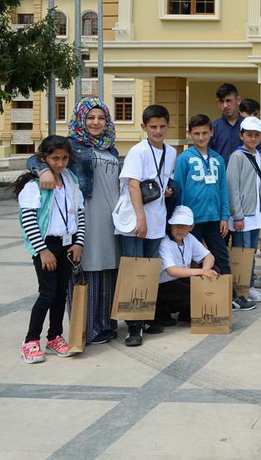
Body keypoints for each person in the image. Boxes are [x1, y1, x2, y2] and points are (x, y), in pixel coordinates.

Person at [27, 98, 120, 345]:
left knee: (107, 268)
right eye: (90, 117)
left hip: (110, 217)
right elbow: (36, 159)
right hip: (85, 213)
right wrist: (43, 171)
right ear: (80, 119)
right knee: (85, 269)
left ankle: (105, 324)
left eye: (101, 117)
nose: (96, 122)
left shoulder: (110, 147)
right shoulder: (72, 145)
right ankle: (85, 328)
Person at [17, 136, 85, 363]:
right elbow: (28, 221)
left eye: (64, 158)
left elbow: (80, 213)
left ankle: (55, 336)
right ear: (43, 158)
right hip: (46, 245)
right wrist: (42, 250)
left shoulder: (71, 180)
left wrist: (78, 242)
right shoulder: (34, 185)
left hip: (67, 244)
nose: (60, 163)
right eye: (55, 158)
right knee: (47, 294)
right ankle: (30, 341)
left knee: (61, 294)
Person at [116, 104, 176, 347]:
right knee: (134, 272)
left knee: (150, 272)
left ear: (168, 126)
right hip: (135, 220)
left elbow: (160, 180)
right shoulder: (138, 152)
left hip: (157, 219)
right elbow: (132, 184)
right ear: (144, 127)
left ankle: (146, 318)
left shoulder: (171, 152)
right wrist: (141, 218)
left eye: (162, 126)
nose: (158, 131)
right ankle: (133, 327)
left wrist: (166, 191)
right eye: (153, 127)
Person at [173, 115, 241, 306]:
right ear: (189, 134)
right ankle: (198, 300)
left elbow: (222, 189)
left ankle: (230, 296)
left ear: (212, 133)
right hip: (192, 220)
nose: (201, 137)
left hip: (214, 219)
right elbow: (180, 189)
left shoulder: (218, 159)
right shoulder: (184, 159)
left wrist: (224, 216)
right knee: (192, 259)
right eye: (196, 133)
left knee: (221, 256)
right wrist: (182, 219)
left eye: (204, 133)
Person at [226, 116, 261, 305]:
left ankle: (249, 285)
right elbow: (233, 187)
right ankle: (241, 288)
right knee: (242, 252)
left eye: (256, 135)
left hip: (257, 213)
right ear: (241, 136)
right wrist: (237, 214)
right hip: (242, 215)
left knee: (251, 250)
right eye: (249, 135)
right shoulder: (237, 156)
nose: (253, 139)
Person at [155, 205, 219, 330]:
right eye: (176, 225)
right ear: (170, 225)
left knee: (215, 271)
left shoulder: (189, 238)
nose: (180, 229)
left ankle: (187, 313)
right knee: (194, 291)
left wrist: (205, 271)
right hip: (164, 285)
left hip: (181, 280)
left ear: (191, 227)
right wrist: (202, 271)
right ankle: (163, 310)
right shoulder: (165, 242)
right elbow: (171, 271)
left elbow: (209, 257)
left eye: (184, 226)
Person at [208, 83, 242, 162]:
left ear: (238, 100)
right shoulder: (213, 128)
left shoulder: (248, 127)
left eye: (228, 101)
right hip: (221, 173)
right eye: (221, 102)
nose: (225, 105)